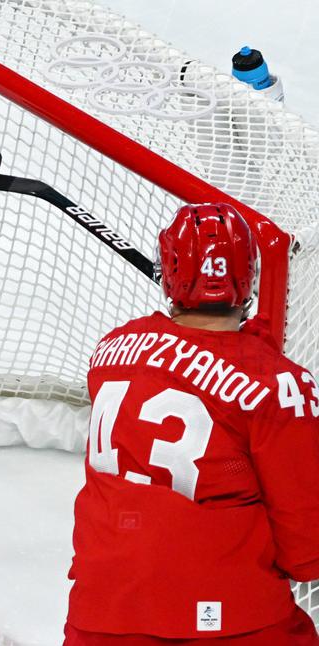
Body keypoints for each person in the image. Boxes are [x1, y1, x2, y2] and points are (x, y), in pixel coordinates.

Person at [64, 203, 319, 644]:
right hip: (229, 619)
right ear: (249, 277)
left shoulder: (111, 350)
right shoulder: (279, 384)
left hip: (101, 611)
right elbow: (306, 550)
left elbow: (188, 360)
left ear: (170, 273)